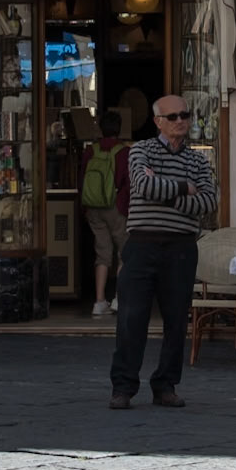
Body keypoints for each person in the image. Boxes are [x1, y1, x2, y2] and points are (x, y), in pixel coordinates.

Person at [109, 93, 217, 409]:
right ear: (158, 121)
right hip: (142, 244)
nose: (181, 121)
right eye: (173, 117)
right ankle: (123, 387)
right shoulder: (140, 150)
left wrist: (166, 194)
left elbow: (209, 202)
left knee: (175, 321)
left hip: (181, 248)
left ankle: (165, 385)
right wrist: (184, 188)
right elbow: (142, 186)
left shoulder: (198, 160)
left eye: (185, 115)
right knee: (131, 319)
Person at [82, 109, 132, 319]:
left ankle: (99, 301)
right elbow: (129, 184)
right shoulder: (123, 152)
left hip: (93, 208)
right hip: (116, 206)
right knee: (124, 252)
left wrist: (84, 208)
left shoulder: (90, 150)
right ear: (119, 129)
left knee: (102, 253)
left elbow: (81, 179)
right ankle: (119, 299)